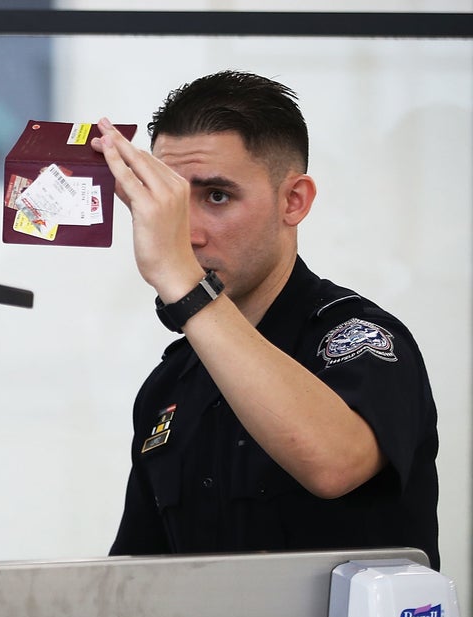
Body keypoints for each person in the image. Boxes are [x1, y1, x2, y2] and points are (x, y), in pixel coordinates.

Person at [91, 70, 439, 568]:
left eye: (217, 196)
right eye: (170, 202)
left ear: (293, 201)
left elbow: (333, 464)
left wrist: (185, 287)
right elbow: (135, 584)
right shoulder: (169, 384)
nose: (185, 233)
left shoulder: (359, 338)